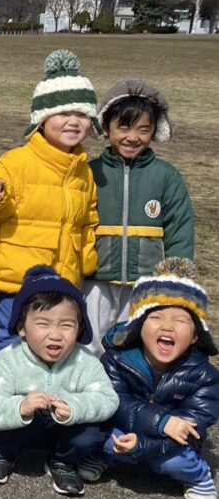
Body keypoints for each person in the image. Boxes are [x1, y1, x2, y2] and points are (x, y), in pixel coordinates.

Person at [0, 50, 100, 352]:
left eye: (82, 115)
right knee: (15, 344)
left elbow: (88, 221)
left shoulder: (83, 171)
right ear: (41, 119)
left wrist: (86, 262)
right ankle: (4, 384)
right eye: (63, 113)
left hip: (61, 282)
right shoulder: (16, 163)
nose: (73, 122)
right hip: (15, 282)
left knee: (53, 345)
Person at [0, 266, 119, 497]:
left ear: (80, 328)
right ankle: (3, 453)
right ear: (22, 328)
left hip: (65, 429)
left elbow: (108, 399)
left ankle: (63, 462)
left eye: (66, 325)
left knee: (91, 433)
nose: (55, 334)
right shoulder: (11, 358)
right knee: (7, 419)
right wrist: (20, 407)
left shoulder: (84, 360)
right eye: (43, 323)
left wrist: (75, 407)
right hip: (25, 426)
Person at [91, 258, 218, 499]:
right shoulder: (116, 360)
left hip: (170, 444)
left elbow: (192, 426)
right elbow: (116, 403)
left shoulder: (206, 376)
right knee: (97, 438)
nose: (167, 327)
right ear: (138, 326)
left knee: (179, 459)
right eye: (156, 317)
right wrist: (162, 422)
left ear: (195, 335)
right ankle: (105, 458)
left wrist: (144, 444)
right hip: (125, 429)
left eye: (181, 321)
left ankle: (198, 475)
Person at [85, 79, 195, 355]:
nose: (132, 137)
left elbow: (180, 230)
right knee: (89, 343)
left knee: (133, 344)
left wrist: (175, 281)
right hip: (95, 281)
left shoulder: (166, 177)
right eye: (124, 127)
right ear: (106, 127)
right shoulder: (90, 172)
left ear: (155, 131)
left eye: (143, 129)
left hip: (144, 284)